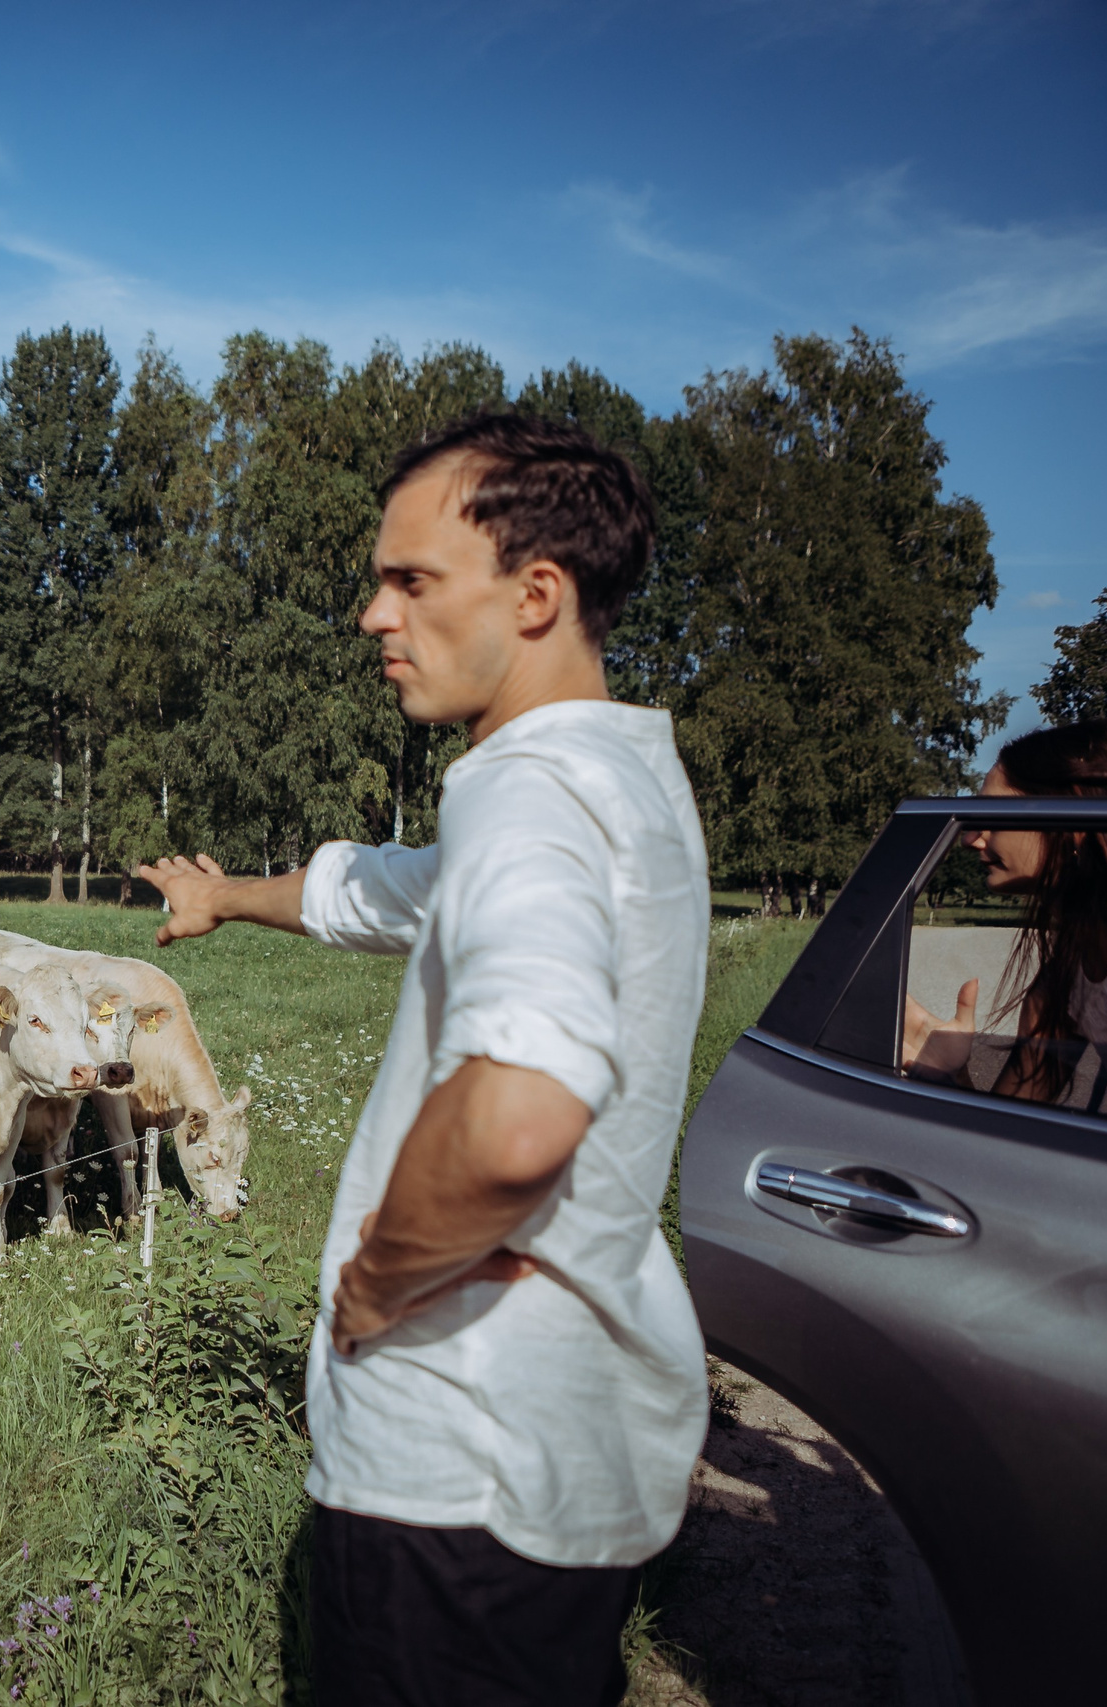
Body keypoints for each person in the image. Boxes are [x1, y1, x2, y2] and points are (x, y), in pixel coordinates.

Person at [137, 414, 707, 1707]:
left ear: (537, 593)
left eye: (412, 580)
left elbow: (518, 1115)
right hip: (564, 1458)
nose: (371, 614)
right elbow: (398, 892)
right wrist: (232, 895)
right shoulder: (623, 781)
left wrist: (380, 1278)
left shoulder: (526, 789)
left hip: (456, 1461)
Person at [901, 718, 1107, 1104]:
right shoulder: (1065, 980)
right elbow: (1010, 1128)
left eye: (993, 815)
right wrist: (948, 1078)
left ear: (1073, 824)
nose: (972, 838)